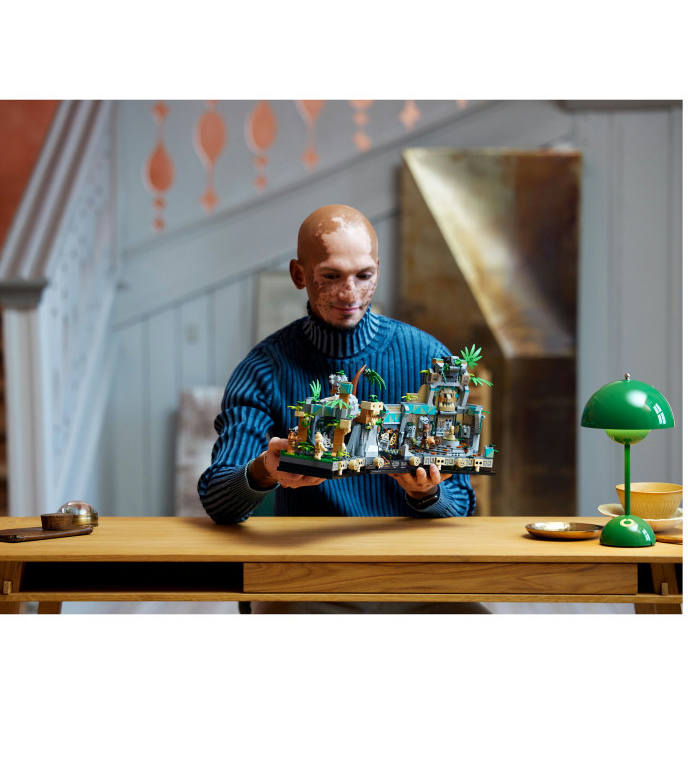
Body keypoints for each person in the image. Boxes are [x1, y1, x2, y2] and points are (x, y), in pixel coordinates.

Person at [197, 204, 488, 613]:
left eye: (363, 275)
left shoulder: (431, 358)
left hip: (415, 577)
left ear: (378, 271)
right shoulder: (264, 369)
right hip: (309, 580)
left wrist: (428, 494)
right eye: (331, 276)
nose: (349, 294)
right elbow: (218, 500)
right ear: (299, 275)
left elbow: (462, 504)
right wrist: (264, 470)